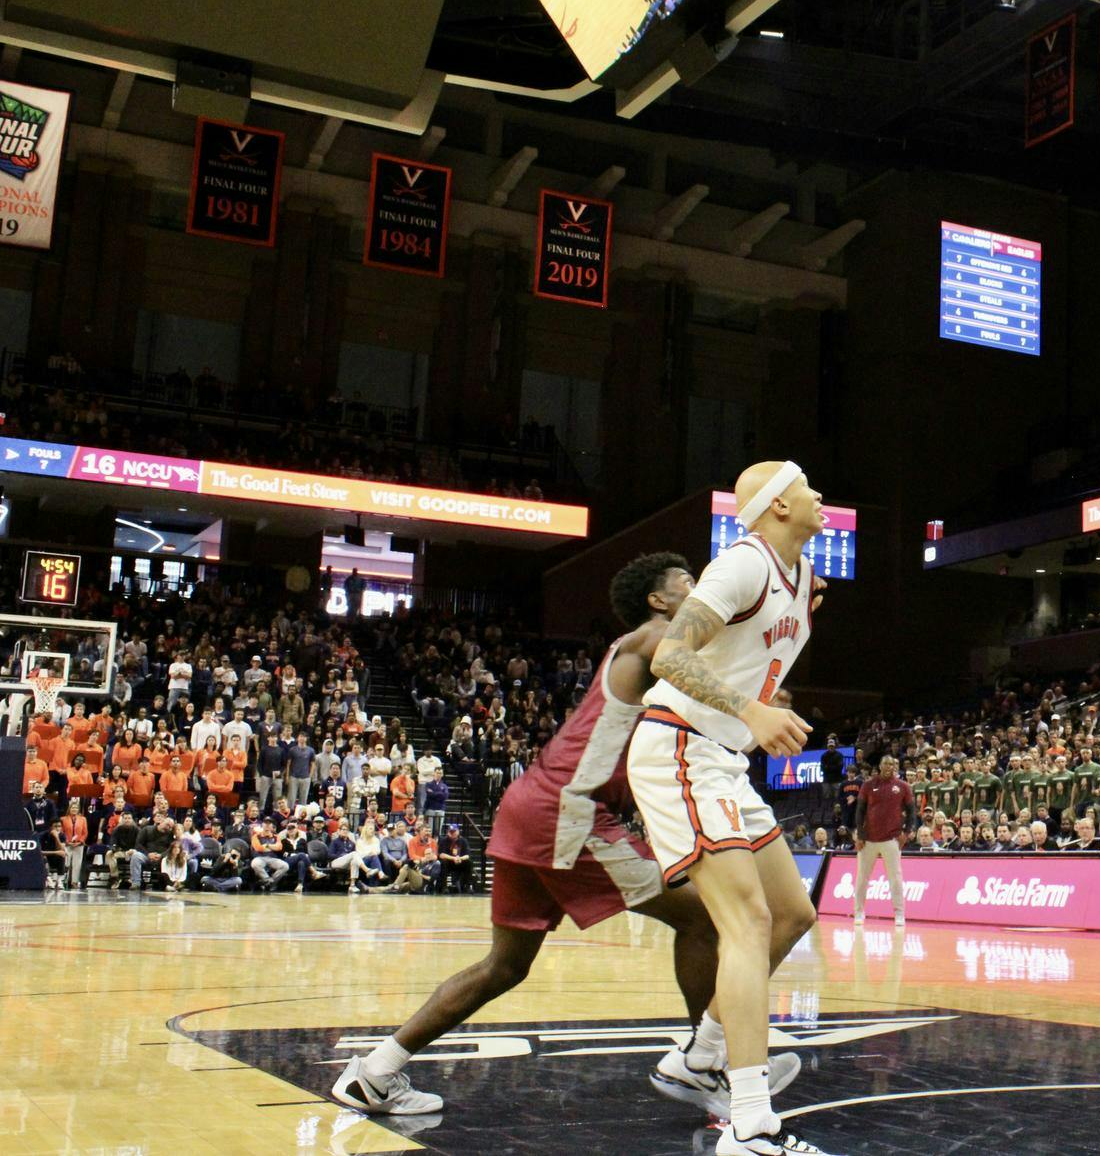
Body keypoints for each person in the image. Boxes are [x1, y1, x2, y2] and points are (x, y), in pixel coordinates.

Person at [335, 552, 801, 1128]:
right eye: (687, 581)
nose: (701, 586)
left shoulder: (663, 648)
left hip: (533, 808)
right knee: (706, 918)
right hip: (569, 814)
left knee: (504, 967)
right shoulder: (656, 637)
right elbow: (712, 667)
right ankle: (704, 1063)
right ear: (658, 600)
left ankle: (374, 1072)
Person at [628, 462, 831, 1156]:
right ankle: (750, 1124)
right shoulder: (743, 563)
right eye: (805, 486)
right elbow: (668, 656)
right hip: (681, 745)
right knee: (746, 921)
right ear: (778, 506)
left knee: (792, 913)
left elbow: (752, 649)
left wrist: (756, 707)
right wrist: (751, 710)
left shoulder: (800, 577)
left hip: (722, 757)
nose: (818, 495)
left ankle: (701, 1054)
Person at [852, 755, 916, 926]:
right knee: (862, 878)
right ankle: (859, 913)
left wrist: (906, 833)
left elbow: (912, 812)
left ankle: (899, 914)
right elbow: (860, 811)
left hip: (891, 838)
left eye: (892, 764)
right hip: (868, 839)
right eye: (886, 764)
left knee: (895, 878)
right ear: (880, 766)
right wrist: (860, 835)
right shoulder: (868, 785)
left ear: (895, 767)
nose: (889, 767)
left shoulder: (903, 786)